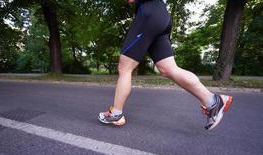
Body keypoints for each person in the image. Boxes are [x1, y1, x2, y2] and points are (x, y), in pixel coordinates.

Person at [98, 0, 233, 130]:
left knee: (124, 67)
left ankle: (116, 113)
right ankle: (212, 102)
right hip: (161, 15)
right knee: (168, 68)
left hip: (149, 13)